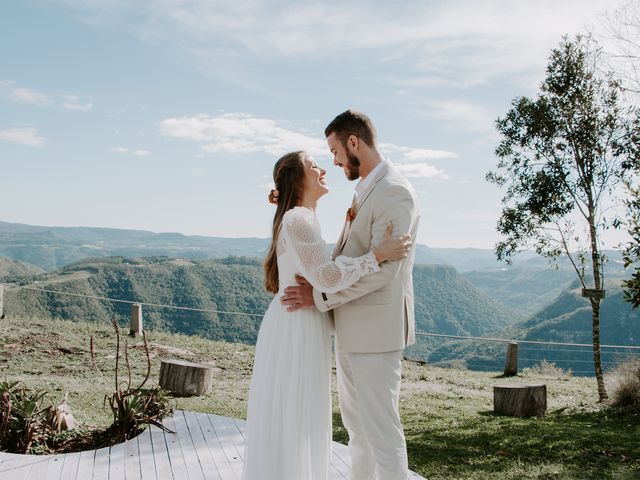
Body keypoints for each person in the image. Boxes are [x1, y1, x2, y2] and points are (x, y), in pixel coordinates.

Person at [241, 150, 412, 480]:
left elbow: (322, 276)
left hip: (300, 320)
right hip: (296, 325)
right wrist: (378, 254)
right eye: (313, 165)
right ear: (297, 179)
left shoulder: (301, 217)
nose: (322, 169)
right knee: (297, 415)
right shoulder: (299, 219)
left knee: (295, 415)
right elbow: (328, 278)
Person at [282, 110, 420, 480]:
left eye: (335, 150)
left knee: (382, 433)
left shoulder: (394, 191)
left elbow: (386, 272)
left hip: (375, 333)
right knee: (358, 432)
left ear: (353, 142)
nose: (335, 160)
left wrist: (321, 298)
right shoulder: (367, 189)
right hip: (351, 330)